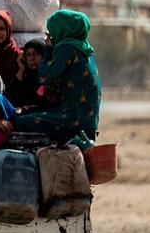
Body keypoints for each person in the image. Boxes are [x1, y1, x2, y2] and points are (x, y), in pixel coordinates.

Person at [16, 9, 101, 143]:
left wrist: (48, 49)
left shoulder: (66, 48)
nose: (50, 35)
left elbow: (45, 76)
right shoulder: (85, 49)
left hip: (73, 118)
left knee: (21, 121)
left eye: (52, 30)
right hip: (88, 120)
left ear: (61, 28)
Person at [8, 38, 48, 111]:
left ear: (44, 55)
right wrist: (21, 70)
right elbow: (10, 97)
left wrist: (23, 109)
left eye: (36, 54)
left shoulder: (49, 78)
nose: (32, 58)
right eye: (28, 55)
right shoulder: (26, 78)